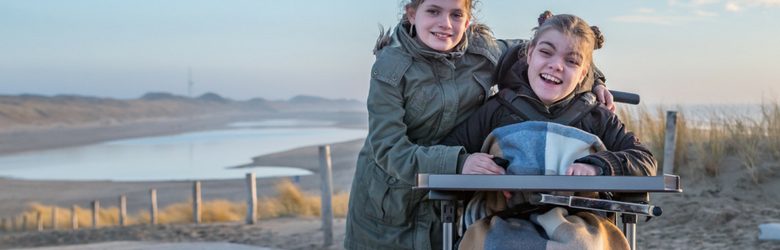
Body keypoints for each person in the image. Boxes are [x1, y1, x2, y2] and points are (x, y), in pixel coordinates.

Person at [344, 2, 614, 249]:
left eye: (456, 14)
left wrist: (596, 81)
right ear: (412, 14)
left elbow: (559, 48)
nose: (445, 23)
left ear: (469, 21)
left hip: (449, 200)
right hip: (390, 204)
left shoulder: (485, 52)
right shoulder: (390, 68)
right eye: (434, 11)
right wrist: (459, 163)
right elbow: (389, 149)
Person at [440, 12, 657, 249]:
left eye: (572, 61)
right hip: (503, 220)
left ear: (584, 73)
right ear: (529, 54)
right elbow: (446, 151)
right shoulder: (495, 111)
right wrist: (466, 162)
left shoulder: (597, 117)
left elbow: (644, 161)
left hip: (581, 225)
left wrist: (599, 167)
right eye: (546, 52)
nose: (556, 65)